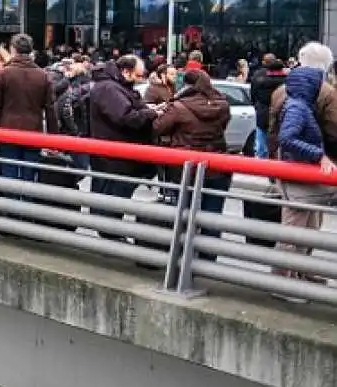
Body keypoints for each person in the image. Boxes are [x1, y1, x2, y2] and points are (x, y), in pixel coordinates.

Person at [152, 68, 232, 255]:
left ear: (185, 85)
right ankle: (207, 262)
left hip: (185, 168)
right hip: (216, 166)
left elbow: (157, 128)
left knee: (183, 215)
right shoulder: (222, 105)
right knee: (212, 218)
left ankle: (180, 259)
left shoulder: (178, 107)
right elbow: (223, 126)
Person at [274, 62, 337, 281]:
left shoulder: (300, 106)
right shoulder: (298, 108)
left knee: (308, 227)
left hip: (302, 176)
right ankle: (283, 281)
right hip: (297, 178)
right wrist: (318, 155)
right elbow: (286, 138)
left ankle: (301, 272)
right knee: (293, 232)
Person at [88, 55, 160, 239]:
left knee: (113, 197)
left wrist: (147, 110)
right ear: (125, 72)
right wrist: (150, 113)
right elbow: (126, 117)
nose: (140, 80)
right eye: (138, 76)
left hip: (116, 156)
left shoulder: (112, 86)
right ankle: (110, 236)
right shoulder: (110, 89)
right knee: (114, 198)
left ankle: (110, 234)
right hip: (115, 157)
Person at [0, 33, 57, 182]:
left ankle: (11, 203)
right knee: (29, 178)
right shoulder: (43, 76)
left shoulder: (4, 74)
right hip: (33, 132)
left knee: (9, 176)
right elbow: (51, 109)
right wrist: (53, 137)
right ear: (31, 51)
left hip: (7, 132)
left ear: (13, 50)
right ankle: (25, 203)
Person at [250, 54, 286, 159]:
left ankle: (262, 164)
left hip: (263, 113)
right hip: (281, 113)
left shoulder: (258, 75)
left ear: (264, 63)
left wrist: (256, 105)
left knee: (261, 141)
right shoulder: (287, 78)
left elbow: (253, 94)